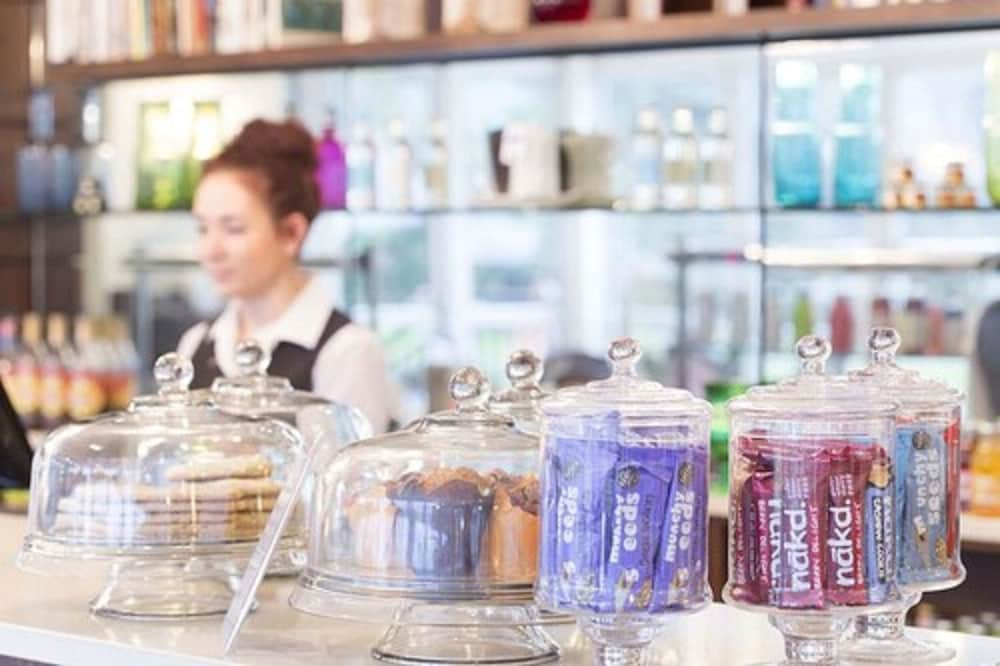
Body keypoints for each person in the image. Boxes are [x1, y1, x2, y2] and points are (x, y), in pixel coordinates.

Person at [177, 118, 393, 433]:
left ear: (291, 232)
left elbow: (350, 478)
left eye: (233, 228)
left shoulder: (347, 350)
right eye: (203, 228)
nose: (210, 250)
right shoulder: (195, 344)